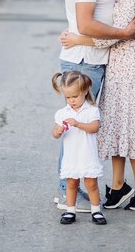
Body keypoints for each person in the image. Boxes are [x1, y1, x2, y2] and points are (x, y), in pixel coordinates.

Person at [61, 0, 135, 211]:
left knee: (129, 125)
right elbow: (115, 32)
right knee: (115, 124)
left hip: (128, 68)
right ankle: (118, 186)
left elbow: (116, 34)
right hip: (117, 64)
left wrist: (79, 38)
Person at [52, 71, 107, 225]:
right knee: (72, 183)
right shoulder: (63, 113)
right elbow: (55, 133)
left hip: (87, 154)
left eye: (74, 96)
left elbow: (94, 127)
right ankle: (70, 211)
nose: (71, 101)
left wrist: (77, 124)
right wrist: (57, 131)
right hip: (71, 155)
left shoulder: (91, 110)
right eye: (68, 97)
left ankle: (96, 211)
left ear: (84, 91)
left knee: (91, 183)